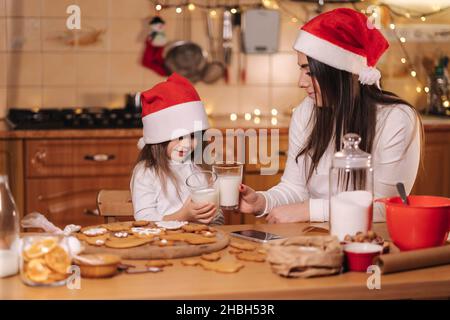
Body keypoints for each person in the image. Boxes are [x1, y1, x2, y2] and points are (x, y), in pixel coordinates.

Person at [239, 8, 422, 223]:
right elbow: (295, 188)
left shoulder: (396, 119)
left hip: (368, 242)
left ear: (339, 72)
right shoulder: (306, 113)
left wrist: (310, 211)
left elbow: (386, 205)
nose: (301, 82)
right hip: (314, 239)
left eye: (310, 72)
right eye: (301, 70)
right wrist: (262, 202)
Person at [130, 73, 223, 224]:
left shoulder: (200, 168)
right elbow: (144, 221)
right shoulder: (147, 172)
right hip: (161, 244)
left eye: (193, 137)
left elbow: (217, 216)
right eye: (180, 137)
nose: (186, 145)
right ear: (159, 138)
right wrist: (183, 215)